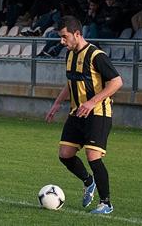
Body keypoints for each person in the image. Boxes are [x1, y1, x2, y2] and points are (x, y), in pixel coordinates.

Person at [45, 16, 123, 215]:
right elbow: (71, 82)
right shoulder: (69, 55)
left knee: (93, 156)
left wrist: (91, 102)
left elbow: (116, 82)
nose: (62, 42)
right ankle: (89, 182)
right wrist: (57, 103)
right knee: (65, 154)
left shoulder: (97, 55)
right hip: (77, 112)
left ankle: (106, 203)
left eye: (64, 37)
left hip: (98, 113)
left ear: (77, 34)